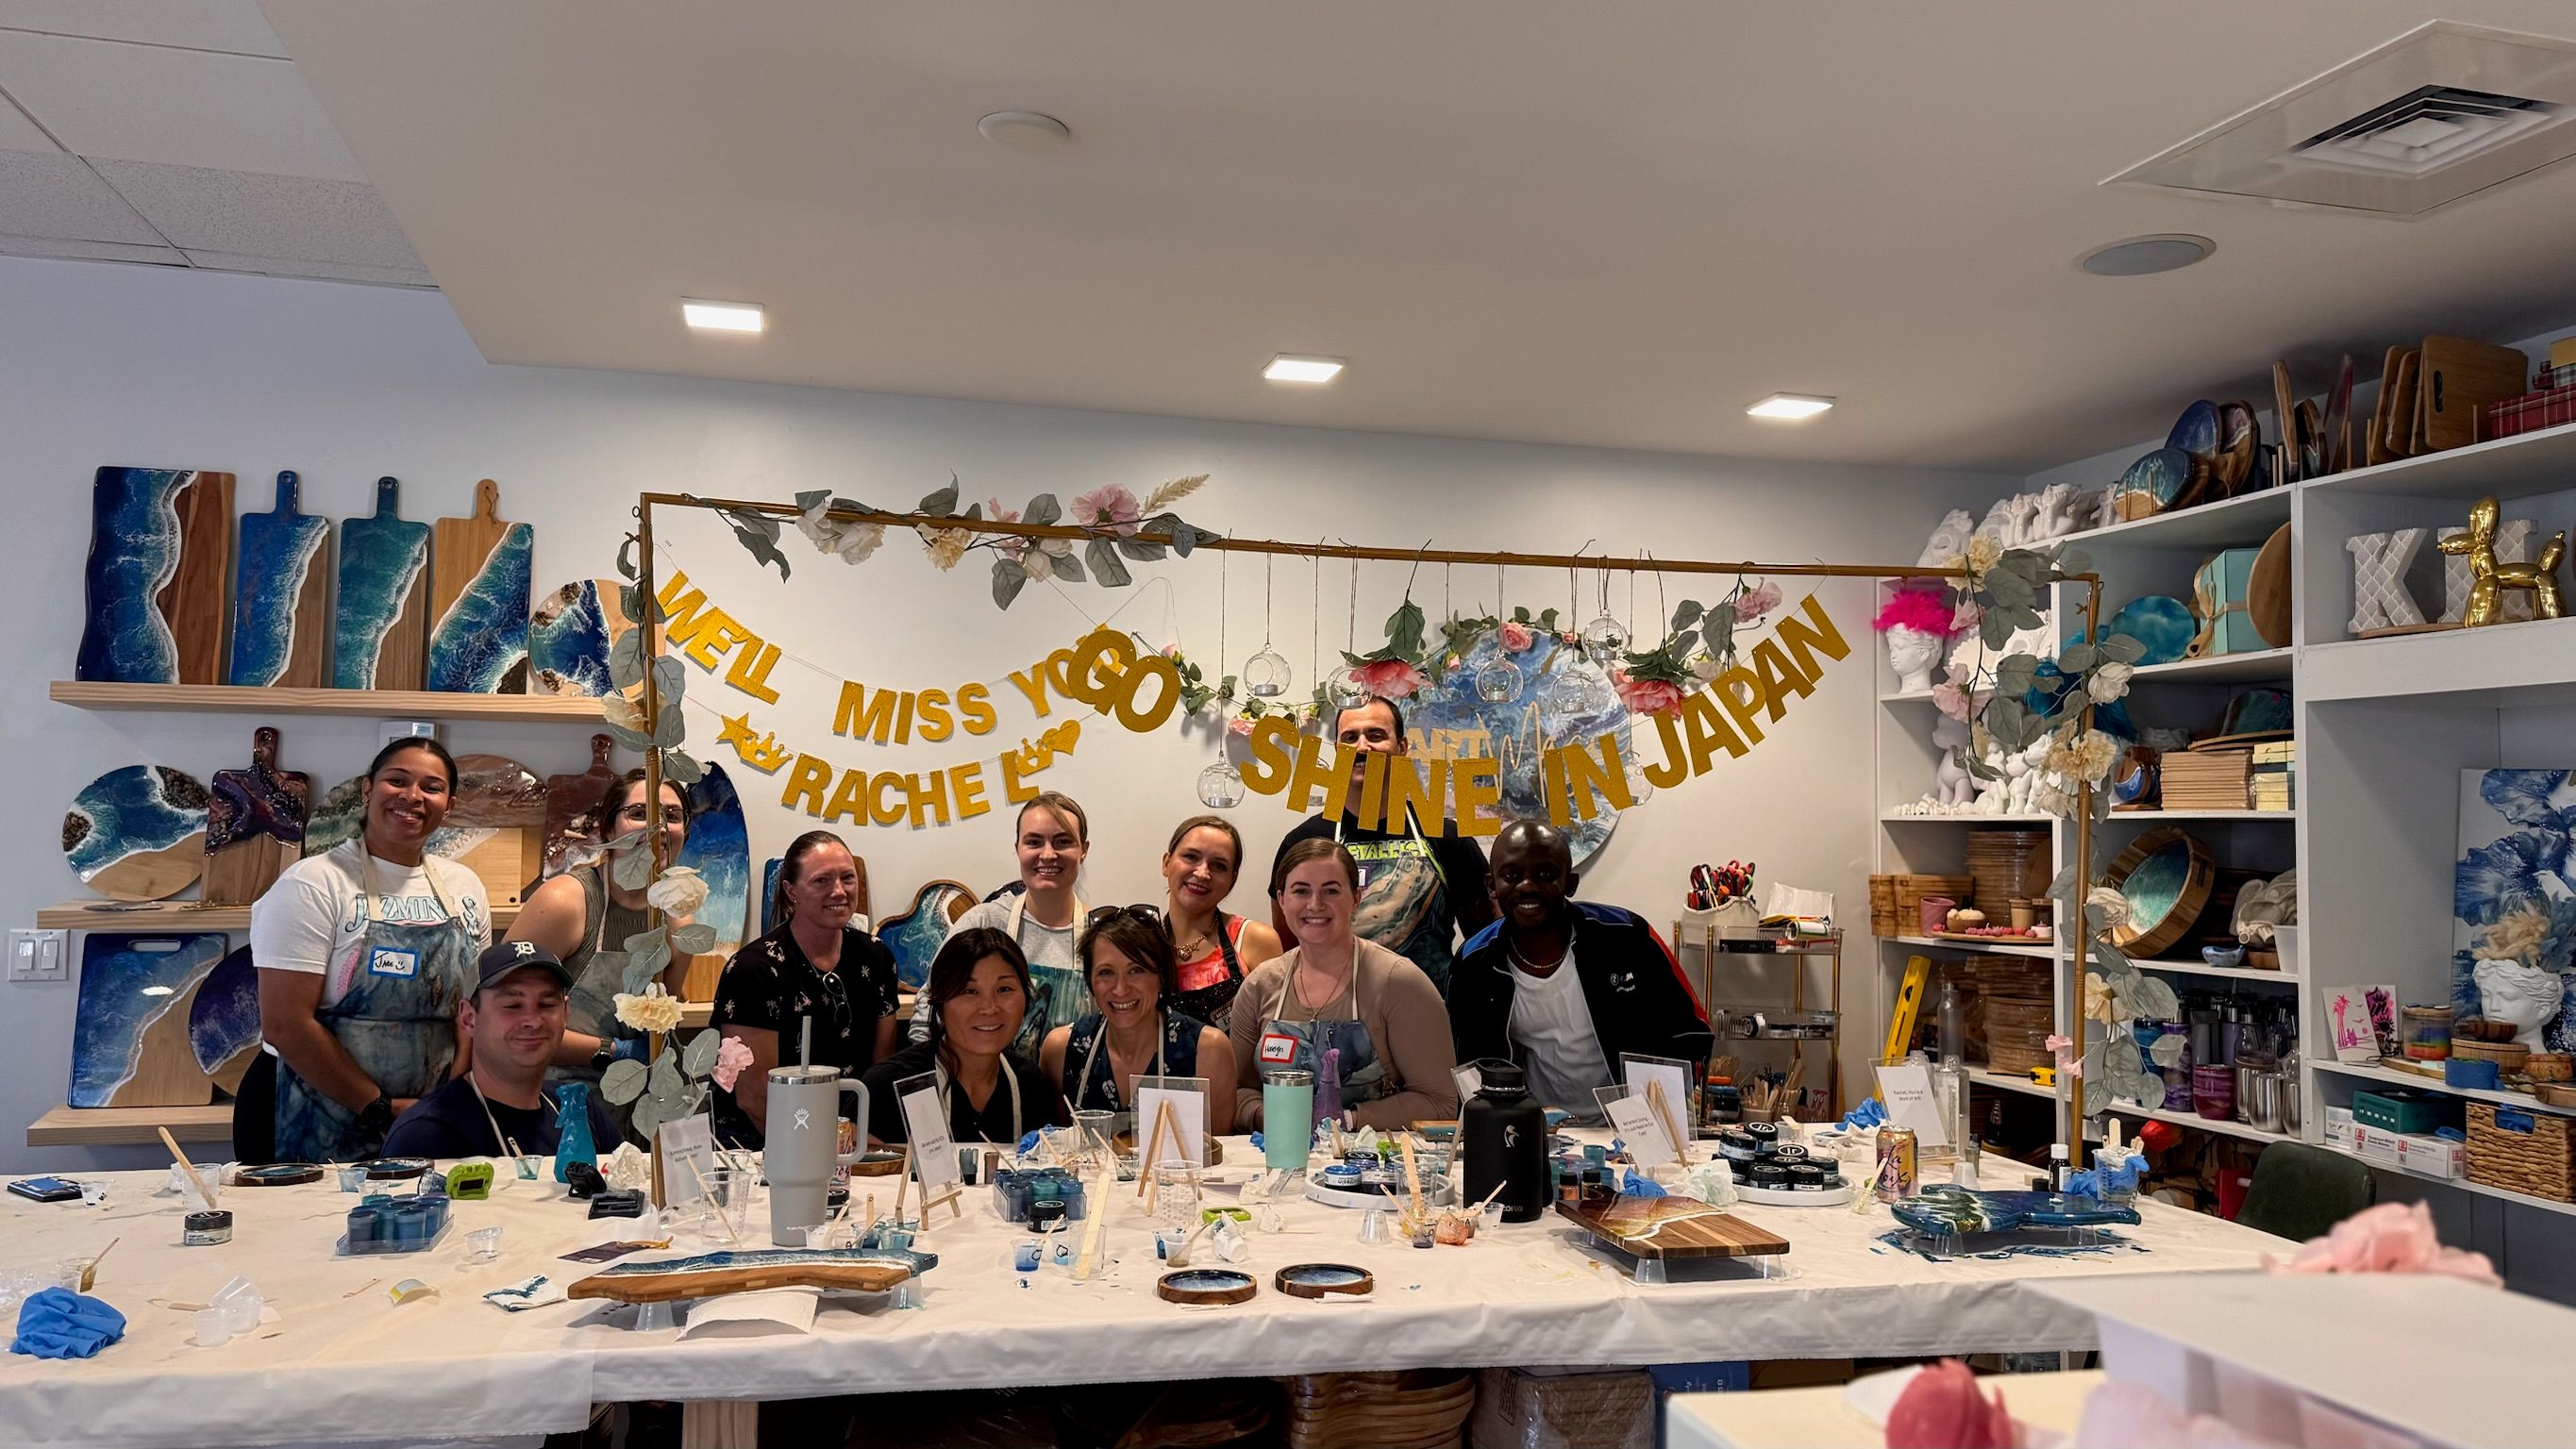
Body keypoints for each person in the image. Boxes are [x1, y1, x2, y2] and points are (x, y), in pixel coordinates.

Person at [252, 738, 493, 1163]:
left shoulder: (465, 886)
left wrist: (456, 1090)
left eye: (431, 788)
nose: (412, 797)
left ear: (449, 804)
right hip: (328, 1117)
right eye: (397, 781)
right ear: (368, 789)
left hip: (437, 1117)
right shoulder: (312, 884)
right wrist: (378, 1106)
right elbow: (285, 1025)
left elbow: (471, 1007)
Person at [1451, 820, 1714, 1118]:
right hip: (1536, 1131)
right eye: (1512, 875)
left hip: (1641, 1128)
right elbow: (1471, 1067)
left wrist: (1661, 1113)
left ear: (1570, 883)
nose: (1527, 885)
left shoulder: (1628, 936)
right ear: (1492, 886)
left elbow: (1693, 1030)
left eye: (1545, 874)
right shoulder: (1474, 965)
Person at [1272, 695, 1492, 999]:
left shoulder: (1447, 836)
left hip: (1430, 1017)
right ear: (1337, 751)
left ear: (1401, 748)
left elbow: (1486, 945)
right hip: (1329, 1022)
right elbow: (1289, 947)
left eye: (1376, 735)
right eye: (1350, 738)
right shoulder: (1304, 841)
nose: (1363, 747)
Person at [1230, 840, 1458, 1132]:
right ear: (1282, 899)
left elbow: (1440, 1103)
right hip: (1279, 1157)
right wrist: (1274, 1115)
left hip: (1374, 1166)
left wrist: (1347, 1119)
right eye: (1301, 890)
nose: (1315, 904)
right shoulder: (1260, 985)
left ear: (1355, 898)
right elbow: (1235, 1092)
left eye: (1331, 890)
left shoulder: (1399, 982)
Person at [711, 830, 901, 1148]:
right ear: (791, 891)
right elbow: (756, 1098)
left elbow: (880, 1073)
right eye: (822, 881)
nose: (839, 891)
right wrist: (829, 1151)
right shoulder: (753, 970)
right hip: (763, 1146)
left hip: (853, 1140)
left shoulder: (877, 956)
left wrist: (865, 1148)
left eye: (847, 878)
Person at [504, 768, 688, 1089]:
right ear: (608, 828)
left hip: (632, 1106)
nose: (658, 826)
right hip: (546, 1097)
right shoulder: (565, 902)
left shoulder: (678, 923)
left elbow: (662, 1025)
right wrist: (613, 1051)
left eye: (672, 815)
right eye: (639, 813)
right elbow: (505, 1018)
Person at [381, 941, 617, 1160]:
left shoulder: (577, 1108)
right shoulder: (425, 1134)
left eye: (547, 1004)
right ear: (468, 1018)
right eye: (512, 1005)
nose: (533, 1021)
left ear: (565, 1013)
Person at [910, 791, 1093, 1054]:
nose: (1048, 854)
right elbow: (929, 1010)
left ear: (1083, 850)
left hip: (1070, 1094)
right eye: (1034, 842)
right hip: (982, 1090)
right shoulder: (984, 921)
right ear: (1017, 847)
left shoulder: (1098, 933)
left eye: (1063, 842)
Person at [1039, 907, 1236, 1132]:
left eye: (1136, 970)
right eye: (1106, 972)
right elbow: (1059, 1150)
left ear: (1161, 977)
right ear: (1090, 981)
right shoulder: (1062, 1050)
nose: (1121, 989)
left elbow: (1220, 1156)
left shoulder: (1208, 1051)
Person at [866, 927, 1063, 1145]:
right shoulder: (889, 1086)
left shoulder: (1032, 1086)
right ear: (940, 1005)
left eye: (1004, 989)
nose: (989, 1008)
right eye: (970, 991)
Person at [1159, 815, 1283, 1030]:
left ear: (1232, 880)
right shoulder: (1142, 944)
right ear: (1167, 863)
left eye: (1219, 866)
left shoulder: (1255, 940)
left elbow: (1276, 1037)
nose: (1202, 873)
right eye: (1190, 856)